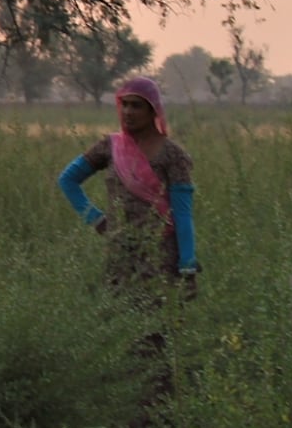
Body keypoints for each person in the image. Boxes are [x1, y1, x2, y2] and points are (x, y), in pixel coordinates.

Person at [56, 77, 199, 291]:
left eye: (136, 105)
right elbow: (68, 180)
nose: (128, 112)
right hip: (120, 252)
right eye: (124, 104)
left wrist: (187, 265)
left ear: (154, 111)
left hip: (160, 254)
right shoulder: (110, 146)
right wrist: (96, 220)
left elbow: (183, 214)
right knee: (119, 315)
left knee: (161, 319)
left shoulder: (173, 155)